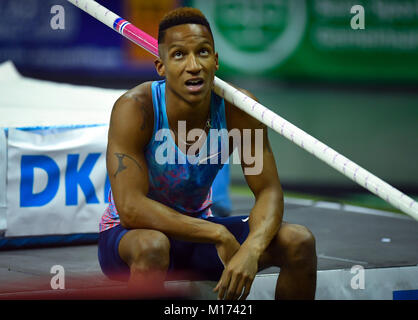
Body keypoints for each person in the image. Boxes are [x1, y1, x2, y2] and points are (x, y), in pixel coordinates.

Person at [98, 7, 317, 300]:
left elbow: (268, 191)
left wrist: (251, 249)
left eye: (202, 52)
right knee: (153, 246)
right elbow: (131, 208)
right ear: (160, 67)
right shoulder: (137, 108)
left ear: (215, 61)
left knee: (298, 240)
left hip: (198, 235)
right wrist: (217, 234)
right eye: (179, 55)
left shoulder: (239, 109)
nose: (193, 66)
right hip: (132, 237)